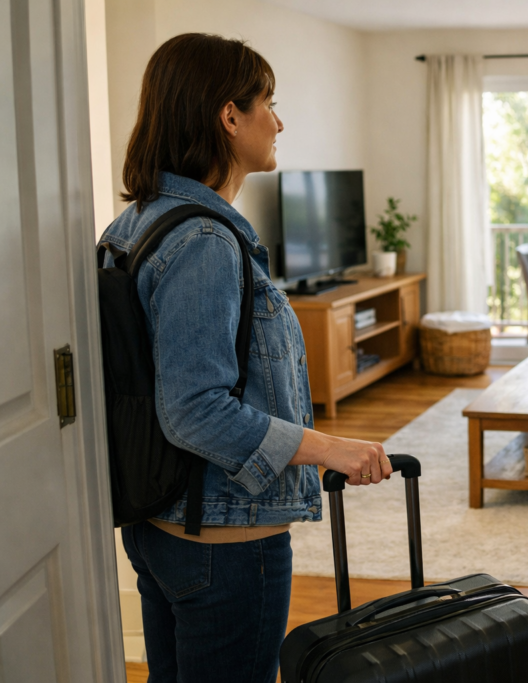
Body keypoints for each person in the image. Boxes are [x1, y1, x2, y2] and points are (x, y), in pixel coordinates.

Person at [100, 33, 392, 683]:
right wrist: (328, 446)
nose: (278, 120)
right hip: (222, 542)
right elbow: (195, 409)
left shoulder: (137, 224)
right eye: (268, 103)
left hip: (159, 526)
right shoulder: (204, 239)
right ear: (228, 117)